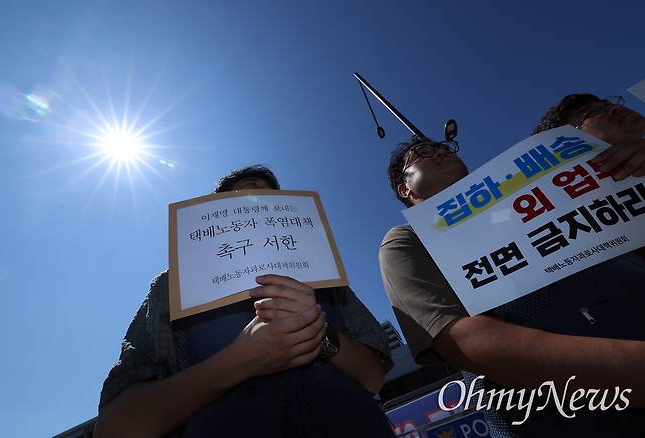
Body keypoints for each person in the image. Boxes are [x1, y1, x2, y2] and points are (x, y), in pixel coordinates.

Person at [379, 96, 645, 436]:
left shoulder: (553, 194)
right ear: (404, 188)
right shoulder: (407, 240)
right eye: (422, 153)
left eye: (442, 146)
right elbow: (464, 341)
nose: (440, 151)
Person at [95, 165, 394, 438]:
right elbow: (115, 427)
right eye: (244, 193)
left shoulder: (325, 273)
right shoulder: (172, 286)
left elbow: (373, 377)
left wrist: (320, 333)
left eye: (271, 196)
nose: (258, 198)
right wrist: (239, 362)